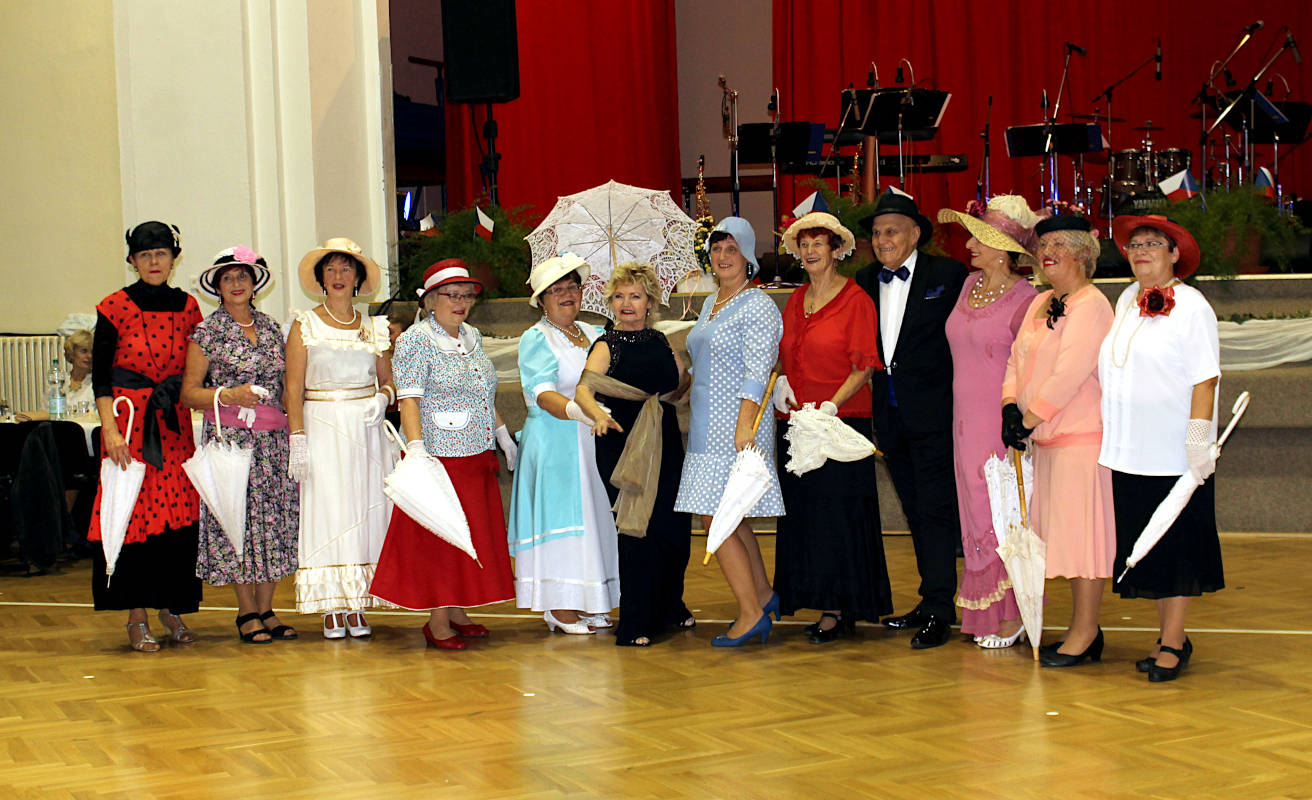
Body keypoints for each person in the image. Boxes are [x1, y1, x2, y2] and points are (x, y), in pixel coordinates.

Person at [370, 259, 517, 650]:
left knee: (470, 533)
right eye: (451, 295)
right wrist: (417, 449)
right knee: (441, 536)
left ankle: (457, 609)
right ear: (431, 300)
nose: (460, 302)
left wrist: (502, 434)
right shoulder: (416, 340)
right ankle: (437, 620)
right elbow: (409, 398)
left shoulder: (472, 336)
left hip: (476, 452)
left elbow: (482, 393)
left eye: (466, 295)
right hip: (439, 455)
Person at [1101, 215, 1223, 682]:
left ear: (1174, 254)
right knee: (1148, 546)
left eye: (1153, 243)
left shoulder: (1192, 306)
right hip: (1130, 450)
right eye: (1135, 245)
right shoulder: (1126, 300)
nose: (1141, 251)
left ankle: (1174, 640)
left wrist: (1196, 444)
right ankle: (1167, 634)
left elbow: (1205, 379)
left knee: (1176, 549)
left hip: (1174, 453)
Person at [1001, 214, 1115, 667]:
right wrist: (1010, 406)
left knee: (1083, 542)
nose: (1047, 253)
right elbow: (1016, 359)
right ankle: (1081, 628)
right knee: (1063, 540)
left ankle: (1086, 632)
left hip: (1080, 441)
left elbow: (1070, 372)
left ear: (1084, 254)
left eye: (1058, 245)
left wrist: (1028, 419)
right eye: (1043, 245)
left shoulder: (1092, 305)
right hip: (1046, 441)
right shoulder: (1039, 301)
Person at [853, 195, 967, 649]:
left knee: (936, 510)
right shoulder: (864, 280)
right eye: (877, 233)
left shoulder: (949, 275)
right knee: (915, 510)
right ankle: (929, 596)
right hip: (890, 416)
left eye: (892, 231)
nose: (883, 240)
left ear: (915, 234)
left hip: (937, 413)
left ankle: (941, 607)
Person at [771, 211, 891, 643]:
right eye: (804, 244)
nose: (809, 251)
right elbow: (786, 355)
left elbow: (864, 366)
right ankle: (816, 597)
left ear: (836, 250)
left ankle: (839, 608)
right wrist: (783, 382)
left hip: (840, 423)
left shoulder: (856, 299)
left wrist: (831, 406)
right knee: (806, 518)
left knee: (837, 518)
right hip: (798, 424)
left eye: (818, 243)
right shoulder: (796, 299)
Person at [88, 221, 202, 652]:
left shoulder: (189, 307)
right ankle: (136, 616)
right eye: (145, 255)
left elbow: (198, 369)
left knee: (178, 516)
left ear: (174, 258)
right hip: (129, 424)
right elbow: (101, 378)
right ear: (133, 261)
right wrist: (110, 431)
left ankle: (171, 608)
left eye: (161, 254)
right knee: (131, 513)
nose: (154, 261)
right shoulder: (113, 306)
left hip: (173, 424)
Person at [674, 217, 783, 647]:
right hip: (707, 424)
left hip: (736, 424)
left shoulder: (757, 304)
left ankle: (751, 613)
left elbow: (759, 369)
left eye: (731, 249)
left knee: (715, 517)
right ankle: (763, 596)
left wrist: (744, 425)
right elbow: (704, 362)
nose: (722, 256)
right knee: (729, 516)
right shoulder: (712, 301)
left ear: (748, 255)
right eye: (717, 248)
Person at [937, 196, 1041, 647]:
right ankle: (984, 614)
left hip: (999, 424)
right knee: (974, 511)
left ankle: (1014, 613)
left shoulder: (1027, 300)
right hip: (963, 421)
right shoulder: (967, 286)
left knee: (1001, 511)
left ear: (1004, 249)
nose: (969, 245)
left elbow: (1032, 366)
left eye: (979, 238)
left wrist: (1021, 421)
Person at [181, 247, 299, 644]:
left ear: (254, 283)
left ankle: (267, 608)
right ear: (217, 286)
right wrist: (228, 394)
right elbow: (189, 394)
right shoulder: (207, 332)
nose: (236, 283)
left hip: (273, 441)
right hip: (231, 441)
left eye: (243, 276)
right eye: (228, 278)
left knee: (273, 522)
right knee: (238, 520)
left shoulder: (272, 328)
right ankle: (246, 610)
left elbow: (287, 385)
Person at [574, 261, 694, 646]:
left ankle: (670, 605)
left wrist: (688, 385)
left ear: (650, 302)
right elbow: (583, 391)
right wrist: (597, 416)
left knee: (673, 527)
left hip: (664, 439)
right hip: (621, 441)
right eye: (620, 296)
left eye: (635, 296)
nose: (626, 303)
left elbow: (680, 384)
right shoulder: (606, 345)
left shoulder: (660, 341)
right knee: (637, 530)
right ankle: (637, 621)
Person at [285, 238, 396, 639]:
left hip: (366, 429)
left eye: (346, 269)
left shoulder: (374, 327)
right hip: (322, 426)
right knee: (329, 508)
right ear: (320, 278)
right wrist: (298, 438)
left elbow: (389, 381)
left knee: (364, 508)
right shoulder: (304, 325)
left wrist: (382, 399)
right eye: (330, 269)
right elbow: (292, 388)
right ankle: (331, 603)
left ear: (358, 278)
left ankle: (357, 601)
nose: (338, 276)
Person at [507, 254, 620, 634]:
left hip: (594, 441)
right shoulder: (536, 338)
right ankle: (559, 606)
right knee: (563, 521)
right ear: (541, 300)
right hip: (555, 442)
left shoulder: (594, 332)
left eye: (572, 286)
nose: (566, 294)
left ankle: (591, 600)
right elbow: (543, 394)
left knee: (594, 518)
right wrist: (580, 411)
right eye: (555, 290)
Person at [15, 330, 95, 421]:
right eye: (84, 351)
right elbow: (45, 410)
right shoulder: (58, 379)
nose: (89, 356)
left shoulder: (98, 383)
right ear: (72, 353)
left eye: (93, 352)